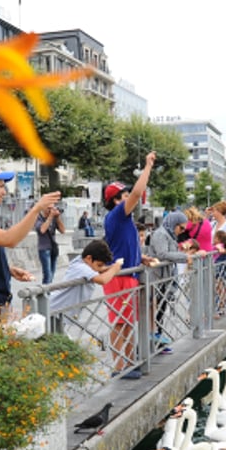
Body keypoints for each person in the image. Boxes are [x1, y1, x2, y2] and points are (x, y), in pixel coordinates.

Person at [0, 161, 61, 322]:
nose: (4, 191)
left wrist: (7, 269)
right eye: (0, 186)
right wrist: (36, 209)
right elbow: (9, 239)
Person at [102, 151, 158, 379]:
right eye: (123, 195)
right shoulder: (117, 215)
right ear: (115, 201)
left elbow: (124, 246)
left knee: (127, 322)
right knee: (120, 322)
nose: (129, 198)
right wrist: (147, 166)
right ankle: (119, 366)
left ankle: (128, 363)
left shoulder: (122, 219)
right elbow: (138, 192)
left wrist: (140, 259)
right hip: (119, 276)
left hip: (128, 273)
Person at [145, 210, 193, 352]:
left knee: (161, 309)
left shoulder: (170, 235)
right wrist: (183, 257)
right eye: (181, 228)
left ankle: (158, 340)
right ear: (174, 224)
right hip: (156, 277)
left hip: (164, 278)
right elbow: (162, 254)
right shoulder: (161, 234)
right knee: (155, 310)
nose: (181, 231)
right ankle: (151, 343)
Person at [47, 239, 123, 313]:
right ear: (89, 258)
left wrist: (110, 268)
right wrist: (114, 269)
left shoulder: (81, 261)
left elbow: (99, 269)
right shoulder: (81, 267)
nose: (98, 269)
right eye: (99, 265)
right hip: (55, 310)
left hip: (60, 309)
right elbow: (102, 280)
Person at [35, 202, 65, 284]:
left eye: (52, 208)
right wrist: (51, 216)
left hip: (53, 249)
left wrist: (58, 218)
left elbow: (63, 230)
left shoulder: (54, 219)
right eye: (49, 208)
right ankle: (44, 293)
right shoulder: (39, 218)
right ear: (43, 208)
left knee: (52, 274)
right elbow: (42, 230)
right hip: (44, 249)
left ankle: (48, 292)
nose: (50, 210)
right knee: (47, 274)